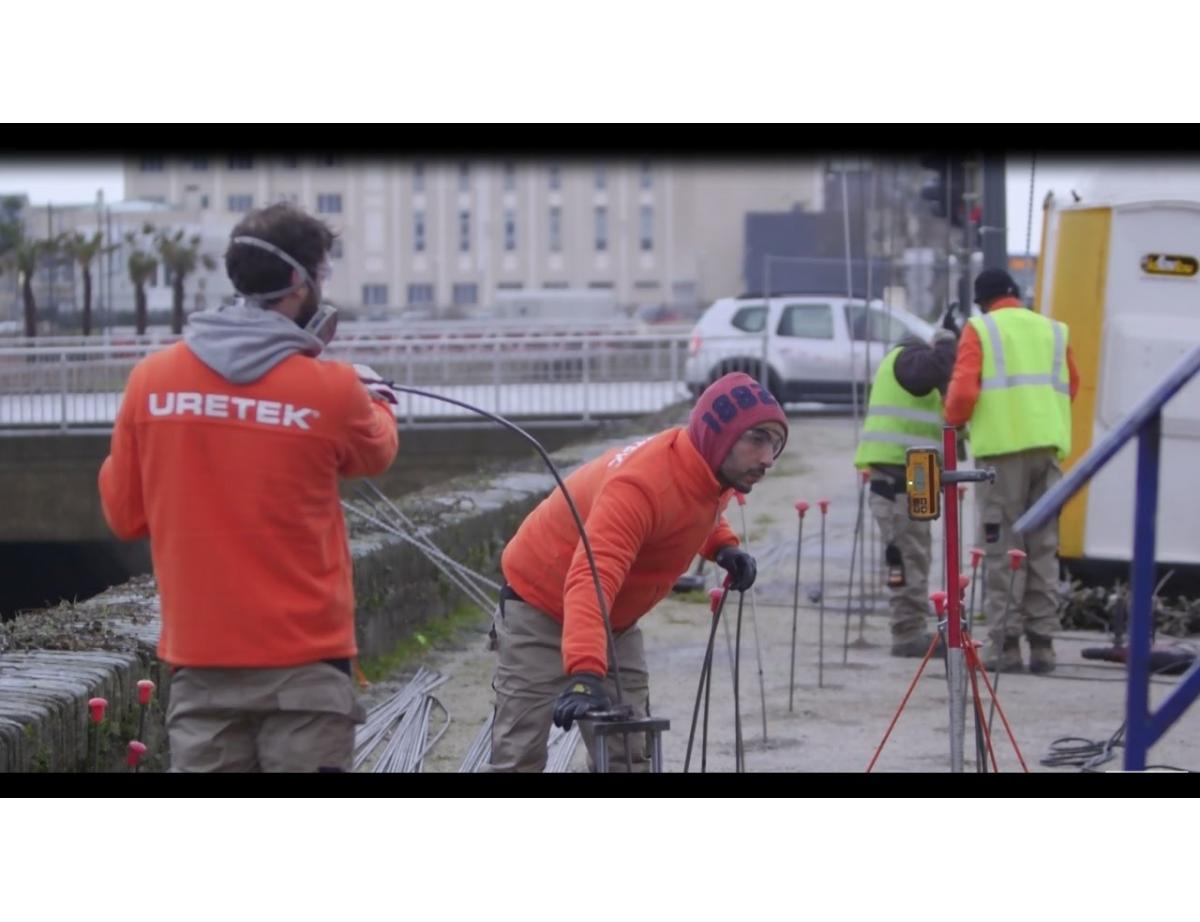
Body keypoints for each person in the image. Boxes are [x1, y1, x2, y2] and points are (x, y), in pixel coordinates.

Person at [98, 203, 400, 771]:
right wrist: (377, 399)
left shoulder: (152, 380)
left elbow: (124, 516)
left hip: (200, 663)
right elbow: (376, 453)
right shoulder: (332, 389)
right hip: (307, 663)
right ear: (298, 281)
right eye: (322, 274)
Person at [485, 371, 788, 772]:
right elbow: (593, 577)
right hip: (540, 609)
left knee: (628, 752)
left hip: (614, 620)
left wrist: (723, 546)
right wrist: (585, 672)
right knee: (518, 752)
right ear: (718, 435)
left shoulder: (710, 469)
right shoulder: (641, 484)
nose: (768, 458)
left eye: (776, 444)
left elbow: (695, 508)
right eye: (757, 439)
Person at [944, 268, 1078, 675]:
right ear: (1015, 294)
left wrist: (953, 421)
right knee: (1042, 546)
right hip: (1047, 450)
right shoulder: (1054, 330)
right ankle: (1044, 646)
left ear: (982, 301)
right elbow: (1072, 384)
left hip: (1000, 457)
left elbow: (964, 392)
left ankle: (1004, 646)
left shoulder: (981, 329)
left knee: (1002, 547)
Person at [854, 319, 959, 657]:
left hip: (918, 471)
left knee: (918, 551)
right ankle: (907, 631)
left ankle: (912, 624)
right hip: (898, 475)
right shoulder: (907, 359)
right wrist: (947, 341)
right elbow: (932, 369)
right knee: (907, 553)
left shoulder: (917, 368)